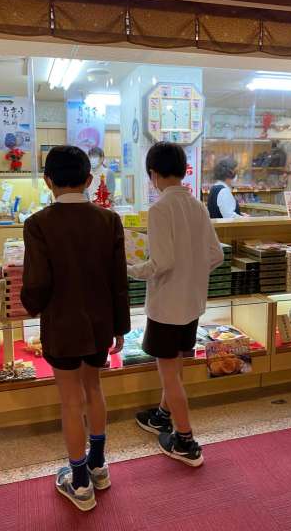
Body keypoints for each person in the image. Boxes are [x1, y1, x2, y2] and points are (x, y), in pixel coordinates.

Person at [21, 146, 130, 512]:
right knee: (94, 389)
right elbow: (118, 282)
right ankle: (98, 466)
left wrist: (29, 305)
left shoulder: (38, 223)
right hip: (100, 324)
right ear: (89, 179)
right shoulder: (109, 220)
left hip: (62, 325)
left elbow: (37, 283)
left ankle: (80, 482)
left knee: (70, 400)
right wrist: (120, 327)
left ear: (47, 181)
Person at [128, 142, 224, 467]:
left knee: (169, 374)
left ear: (153, 174)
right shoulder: (197, 206)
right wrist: (192, 273)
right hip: (192, 303)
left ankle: (185, 440)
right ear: (183, 170)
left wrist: (131, 270)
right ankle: (162, 415)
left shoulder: (160, 209)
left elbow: (162, 262)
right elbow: (216, 254)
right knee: (176, 366)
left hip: (167, 306)